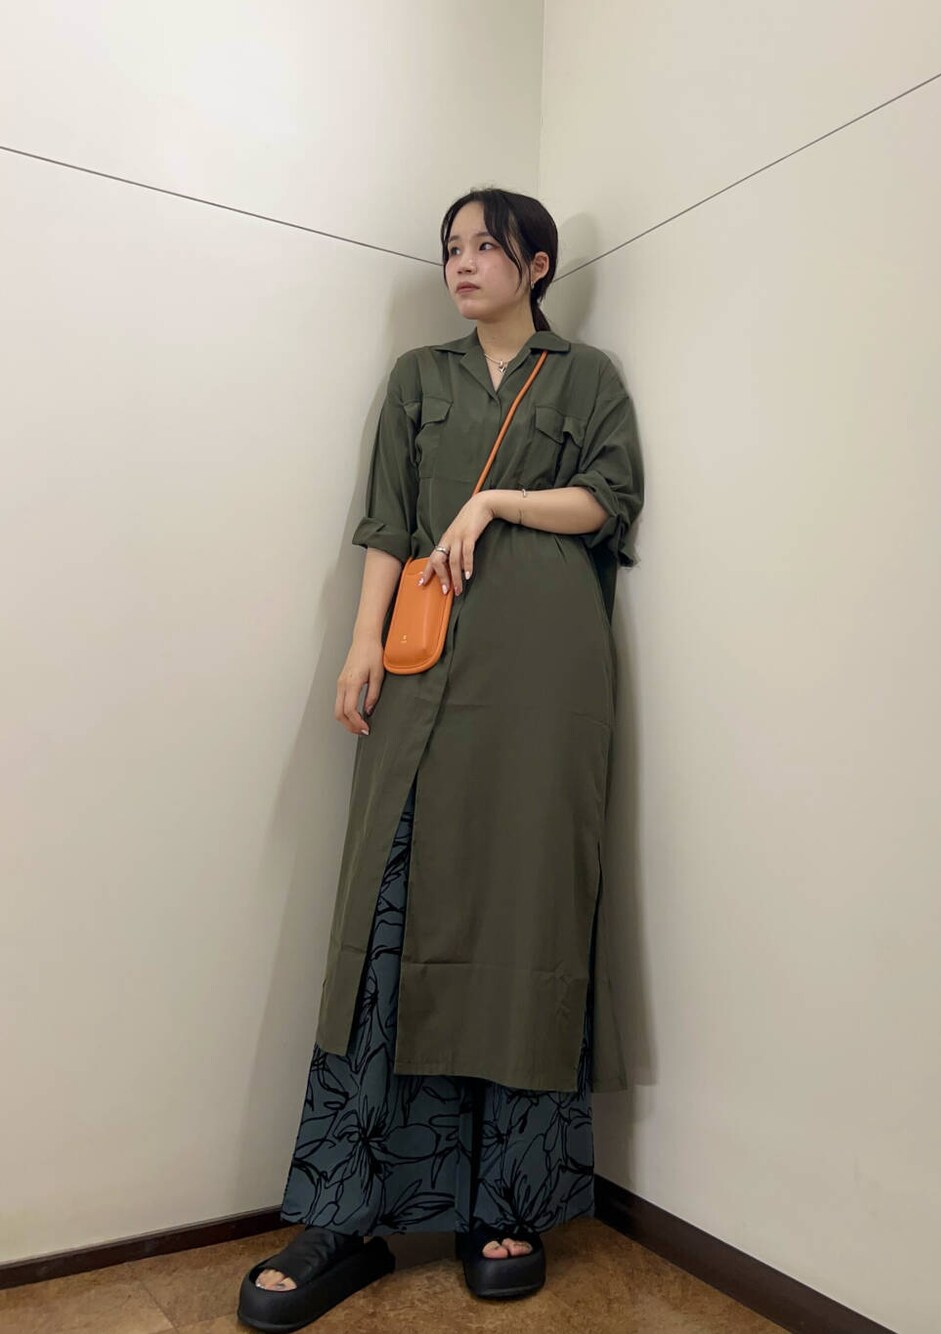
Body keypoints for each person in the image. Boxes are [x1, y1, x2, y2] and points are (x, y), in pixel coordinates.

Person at [237, 186, 643, 1331]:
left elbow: (608, 500)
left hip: (546, 681)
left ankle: (504, 1201)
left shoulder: (587, 376)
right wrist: (361, 642)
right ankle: (344, 1212)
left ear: (536, 263)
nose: (461, 263)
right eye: (451, 248)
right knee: (390, 903)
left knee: (524, 908)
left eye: (485, 247)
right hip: (423, 670)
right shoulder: (418, 378)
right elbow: (387, 520)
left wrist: (496, 501)